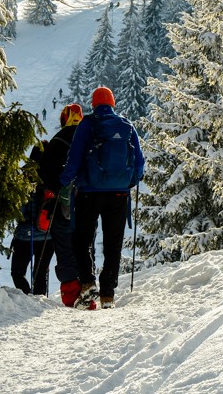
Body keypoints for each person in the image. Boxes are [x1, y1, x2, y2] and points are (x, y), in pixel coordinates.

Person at [59, 87, 144, 309]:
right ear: (112, 103)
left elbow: (75, 156)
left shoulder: (87, 124)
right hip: (118, 193)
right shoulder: (126, 125)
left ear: (94, 103)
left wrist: (64, 180)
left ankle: (88, 283)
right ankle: (108, 294)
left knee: (82, 239)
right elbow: (139, 161)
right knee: (113, 243)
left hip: (89, 192)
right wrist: (130, 181)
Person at [38, 103, 85, 307]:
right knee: (84, 248)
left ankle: (71, 295)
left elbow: (44, 174)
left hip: (61, 206)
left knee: (65, 250)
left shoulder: (57, 141)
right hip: (86, 204)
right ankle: (88, 290)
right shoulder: (87, 139)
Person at [10, 143, 55, 295]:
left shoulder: (24, 177)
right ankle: (39, 302)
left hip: (25, 235)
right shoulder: (54, 176)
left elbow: (18, 210)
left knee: (17, 272)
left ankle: (26, 299)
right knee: (40, 274)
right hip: (48, 235)